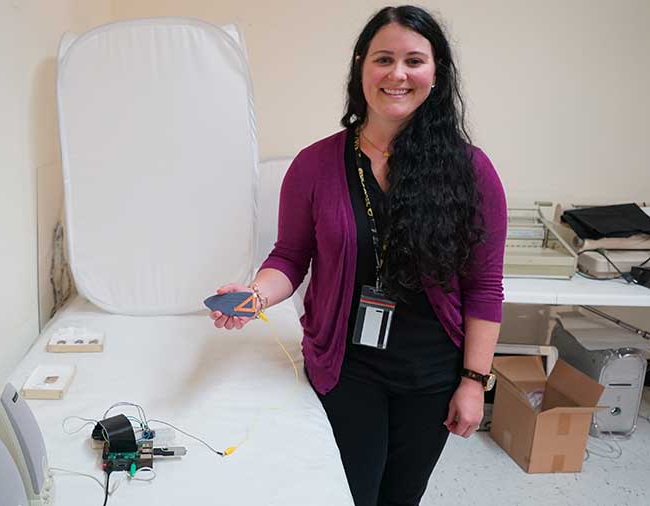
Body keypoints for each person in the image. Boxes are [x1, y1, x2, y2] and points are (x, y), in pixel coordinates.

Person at [209, 6, 507, 506]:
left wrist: (474, 382)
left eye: (414, 60)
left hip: (432, 374)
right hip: (347, 368)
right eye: (383, 59)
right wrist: (256, 295)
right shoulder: (314, 165)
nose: (398, 74)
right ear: (360, 67)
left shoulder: (470, 170)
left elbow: (485, 287)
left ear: (436, 73)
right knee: (349, 494)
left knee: (402, 496)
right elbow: (289, 256)